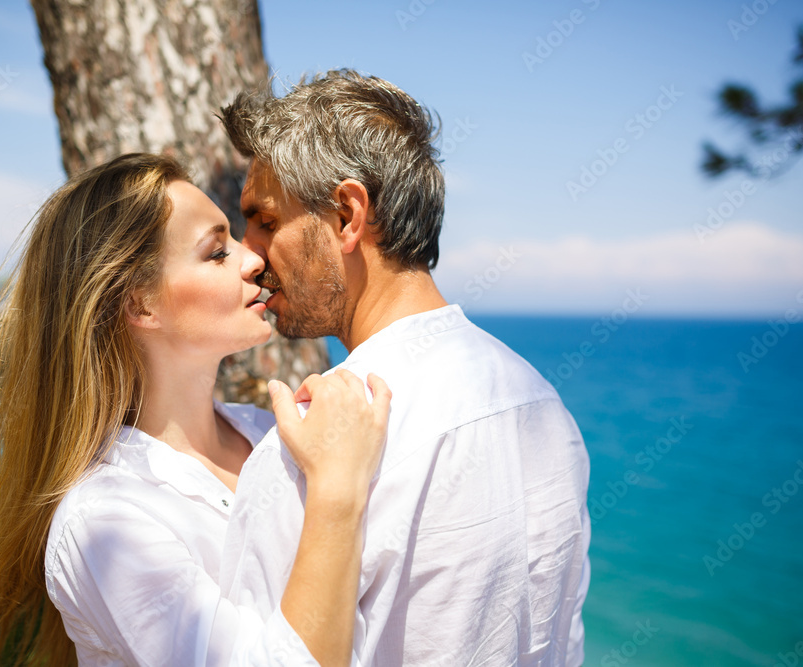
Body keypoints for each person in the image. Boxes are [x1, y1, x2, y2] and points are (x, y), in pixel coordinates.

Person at [0, 153, 391, 667]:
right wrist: (338, 492)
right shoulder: (104, 521)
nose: (254, 258)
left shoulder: (276, 433)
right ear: (140, 304)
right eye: (216, 252)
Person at [217, 69, 591, 666]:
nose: (248, 254)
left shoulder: (309, 448)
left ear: (346, 215)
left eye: (264, 220)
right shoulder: (545, 410)